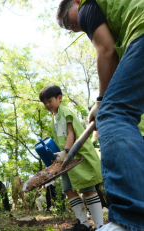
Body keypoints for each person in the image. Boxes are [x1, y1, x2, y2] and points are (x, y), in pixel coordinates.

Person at [56, 1, 144, 229]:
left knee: (113, 114)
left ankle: (132, 220)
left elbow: (106, 50)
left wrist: (102, 101)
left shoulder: (87, 6)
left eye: (67, 21)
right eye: (67, 29)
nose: (72, 28)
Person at [39, 85, 103, 231]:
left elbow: (71, 133)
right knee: (68, 189)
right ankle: (83, 225)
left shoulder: (65, 113)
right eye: (45, 103)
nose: (47, 105)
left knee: (88, 188)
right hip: (65, 160)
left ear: (59, 98)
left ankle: (100, 226)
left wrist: (66, 151)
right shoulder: (54, 118)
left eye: (50, 101)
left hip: (78, 155)